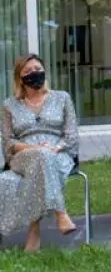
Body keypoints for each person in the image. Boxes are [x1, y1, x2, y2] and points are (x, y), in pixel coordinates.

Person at [0, 54, 79, 252]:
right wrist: (33, 148)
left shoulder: (62, 98)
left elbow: (71, 136)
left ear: (44, 71)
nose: (34, 73)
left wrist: (55, 148)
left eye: (37, 69)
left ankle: (34, 231)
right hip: (22, 156)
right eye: (28, 71)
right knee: (40, 156)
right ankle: (61, 213)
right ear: (20, 78)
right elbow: (8, 143)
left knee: (44, 158)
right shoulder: (9, 105)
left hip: (58, 154)